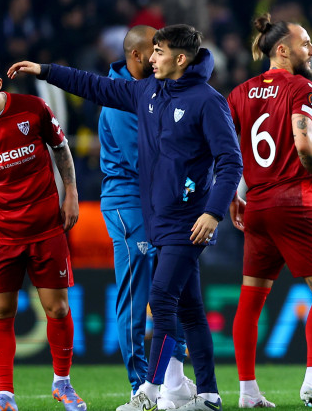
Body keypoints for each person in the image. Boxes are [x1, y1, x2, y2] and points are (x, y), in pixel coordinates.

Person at [9, 24, 244, 411]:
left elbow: (230, 161)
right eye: (151, 52)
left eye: (160, 52)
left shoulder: (207, 100)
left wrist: (213, 212)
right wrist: (46, 70)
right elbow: (93, 85)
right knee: (189, 307)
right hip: (157, 219)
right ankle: (208, 394)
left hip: (190, 220)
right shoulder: (147, 91)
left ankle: (149, 392)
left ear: (180, 59)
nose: (152, 59)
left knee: (161, 298)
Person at [226, 15, 312, 408]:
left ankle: (248, 393)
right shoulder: (301, 87)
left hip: (257, 206)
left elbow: (228, 154)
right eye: (305, 43)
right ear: (281, 49)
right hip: (293, 200)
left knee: (251, 299)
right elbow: (304, 144)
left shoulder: (239, 93)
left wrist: (234, 194)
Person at [0, 57, 86, 411]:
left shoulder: (33, 109)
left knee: (57, 309)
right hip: (1, 234)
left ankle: (63, 385)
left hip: (46, 227)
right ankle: (5, 397)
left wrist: (70, 193)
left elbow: (61, 148)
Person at [99, 25, 196, 409]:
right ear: (137, 56)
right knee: (135, 297)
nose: (159, 56)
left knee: (171, 292)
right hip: (130, 203)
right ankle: (140, 384)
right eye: (154, 50)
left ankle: (171, 381)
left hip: (157, 203)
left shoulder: (153, 92)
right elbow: (147, 159)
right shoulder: (121, 101)